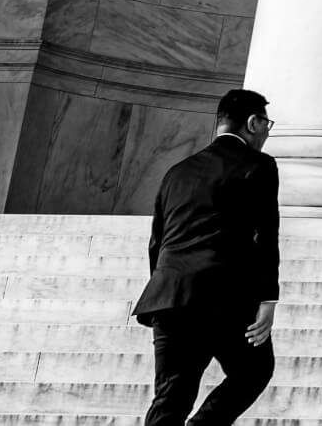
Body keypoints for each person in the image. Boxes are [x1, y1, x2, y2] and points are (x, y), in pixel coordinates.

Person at [132, 88, 280, 426]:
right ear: (253, 123)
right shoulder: (258, 165)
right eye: (267, 124)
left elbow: (157, 243)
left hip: (169, 296)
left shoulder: (177, 171)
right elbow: (266, 235)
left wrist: (167, 285)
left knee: (170, 397)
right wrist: (268, 298)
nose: (267, 134)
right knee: (255, 369)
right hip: (222, 296)